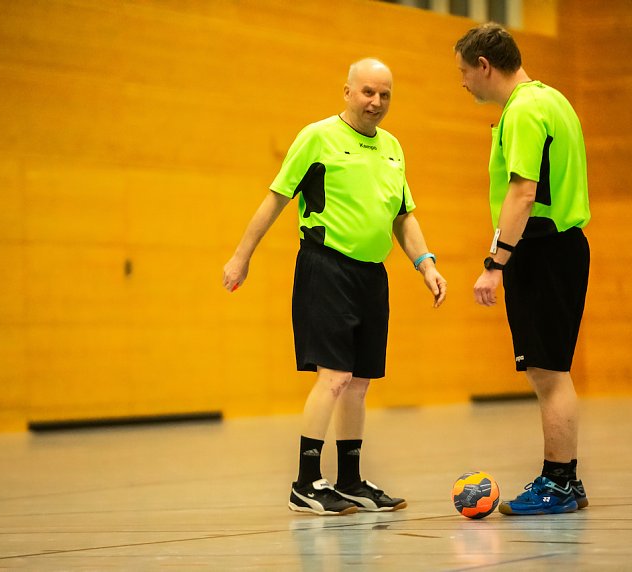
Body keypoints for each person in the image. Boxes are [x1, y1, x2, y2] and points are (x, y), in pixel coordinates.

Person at [223, 58, 447, 516]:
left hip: (371, 275)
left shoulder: (392, 147)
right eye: (367, 92)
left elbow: (403, 215)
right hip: (326, 267)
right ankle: (306, 482)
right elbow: (276, 198)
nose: (376, 102)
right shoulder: (317, 137)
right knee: (335, 376)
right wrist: (241, 256)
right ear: (347, 91)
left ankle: (350, 479)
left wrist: (425, 264)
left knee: (360, 382)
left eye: (385, 94)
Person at [454, 23, 591, 515]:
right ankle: (566, 481)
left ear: (485, 66)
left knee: (549, 374)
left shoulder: (524, 111)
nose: (464, 82)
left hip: (542, 250)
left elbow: (523, 190)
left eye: (465, 72)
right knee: (550, 370)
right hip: (561, 247)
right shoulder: (552, 99)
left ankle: (557, 483)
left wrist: (495, 263)